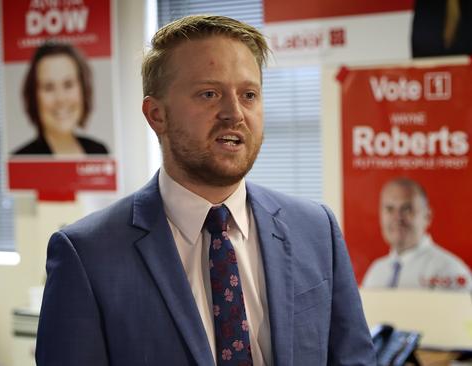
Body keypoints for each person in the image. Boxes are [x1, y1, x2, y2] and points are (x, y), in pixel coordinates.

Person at [36, 15, 375, 366]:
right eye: (209, 94)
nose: (234, 114)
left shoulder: (315, 229)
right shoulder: (87, 255)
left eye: (249, 95)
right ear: (156, 115)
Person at [363, 177, 471, 290]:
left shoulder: (449, 271)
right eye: (390, 209)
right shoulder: (375, 272)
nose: (397, 217)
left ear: (427, 216)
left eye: (406, 209)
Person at [14, 42, 109, 155]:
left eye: (68, 85)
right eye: (48, 87)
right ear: (34, 96)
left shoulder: (99, 151)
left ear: (83, 89)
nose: (60, 99)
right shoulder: (21, 159)